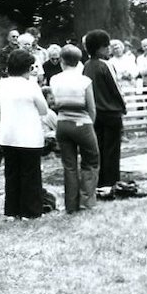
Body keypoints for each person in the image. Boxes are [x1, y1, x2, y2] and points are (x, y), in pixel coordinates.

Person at [0, 49, 49, 219]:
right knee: (30, 174)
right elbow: (43, 110)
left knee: (12, 174)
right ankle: (30, 210)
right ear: (27, 67)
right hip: (28, 136)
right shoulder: (31, 85)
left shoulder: (2, 84)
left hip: (8, 135)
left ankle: (12, 210)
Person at [51, 44, 99, 213]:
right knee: (91, 161)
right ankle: (87, 202)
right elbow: (91, 108)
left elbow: (55, 103)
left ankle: (70, 205)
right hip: (83, 123)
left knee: (69, 166)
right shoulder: (85, 81)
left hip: (63, 123)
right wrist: (89, 124)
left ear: (62, 60)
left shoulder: (55, 79)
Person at [83, 29, 126, 187]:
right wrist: (123, 107)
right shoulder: (106, 65)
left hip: (95, 113)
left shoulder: (86, 66)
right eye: (106, 45)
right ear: (99, 48)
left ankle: (100, 182)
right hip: (111, 113)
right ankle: (112, 181)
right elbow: (116, 89)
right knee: (112, 150)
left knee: (99, 148)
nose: (109, 48)